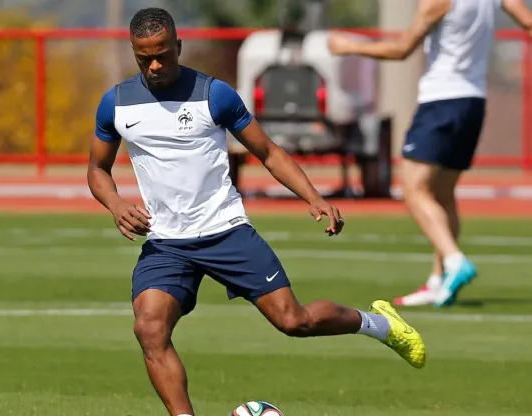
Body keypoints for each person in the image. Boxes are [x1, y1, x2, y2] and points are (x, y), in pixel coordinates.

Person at [87, 7, 426, 416]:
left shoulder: (215, 94)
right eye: (145, 58)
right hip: (167, 243)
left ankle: (379, 324)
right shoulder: (117, 104)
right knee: (149, 328)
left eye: (163, 54)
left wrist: (313, 196)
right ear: (134, 52)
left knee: (293, 321)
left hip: (225, 230)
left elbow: (267, 151)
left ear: (178, 46)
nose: (155, 65)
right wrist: (117, 204)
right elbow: (97, 169)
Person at [328, 0, 532, 308]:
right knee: (443, 193)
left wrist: (349, 46)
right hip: (474, 102)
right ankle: (439, 280)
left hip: (441, 101)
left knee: (413, 189)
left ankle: (455, 261)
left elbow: (402, 49)